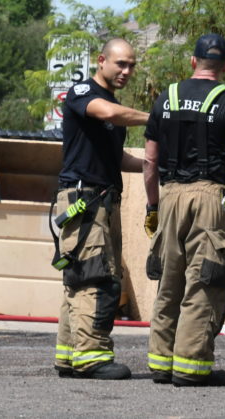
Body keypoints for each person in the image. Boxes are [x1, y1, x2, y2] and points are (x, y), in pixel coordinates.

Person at [143, 33, 225, 387]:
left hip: (170, 197)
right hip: (211, 198)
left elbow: (149, 162)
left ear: (193, 61)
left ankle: (161, 362)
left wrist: (153, 206)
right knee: (204, 282)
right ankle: (191, 367)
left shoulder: (166, 98)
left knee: (169, 280)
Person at [51, 38, 147, 380]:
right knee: (95, 276)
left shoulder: (112, 104)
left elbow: (116, 158)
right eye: (121, 63)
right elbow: (108, 113)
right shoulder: (83, 93)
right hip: (86, 200)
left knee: (81, 277)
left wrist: (155, 166)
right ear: (101, 61)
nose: (127, 71)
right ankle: (92, 357)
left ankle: (69, 355)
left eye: (131, 65)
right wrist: (157, 120)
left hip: (102, 199)